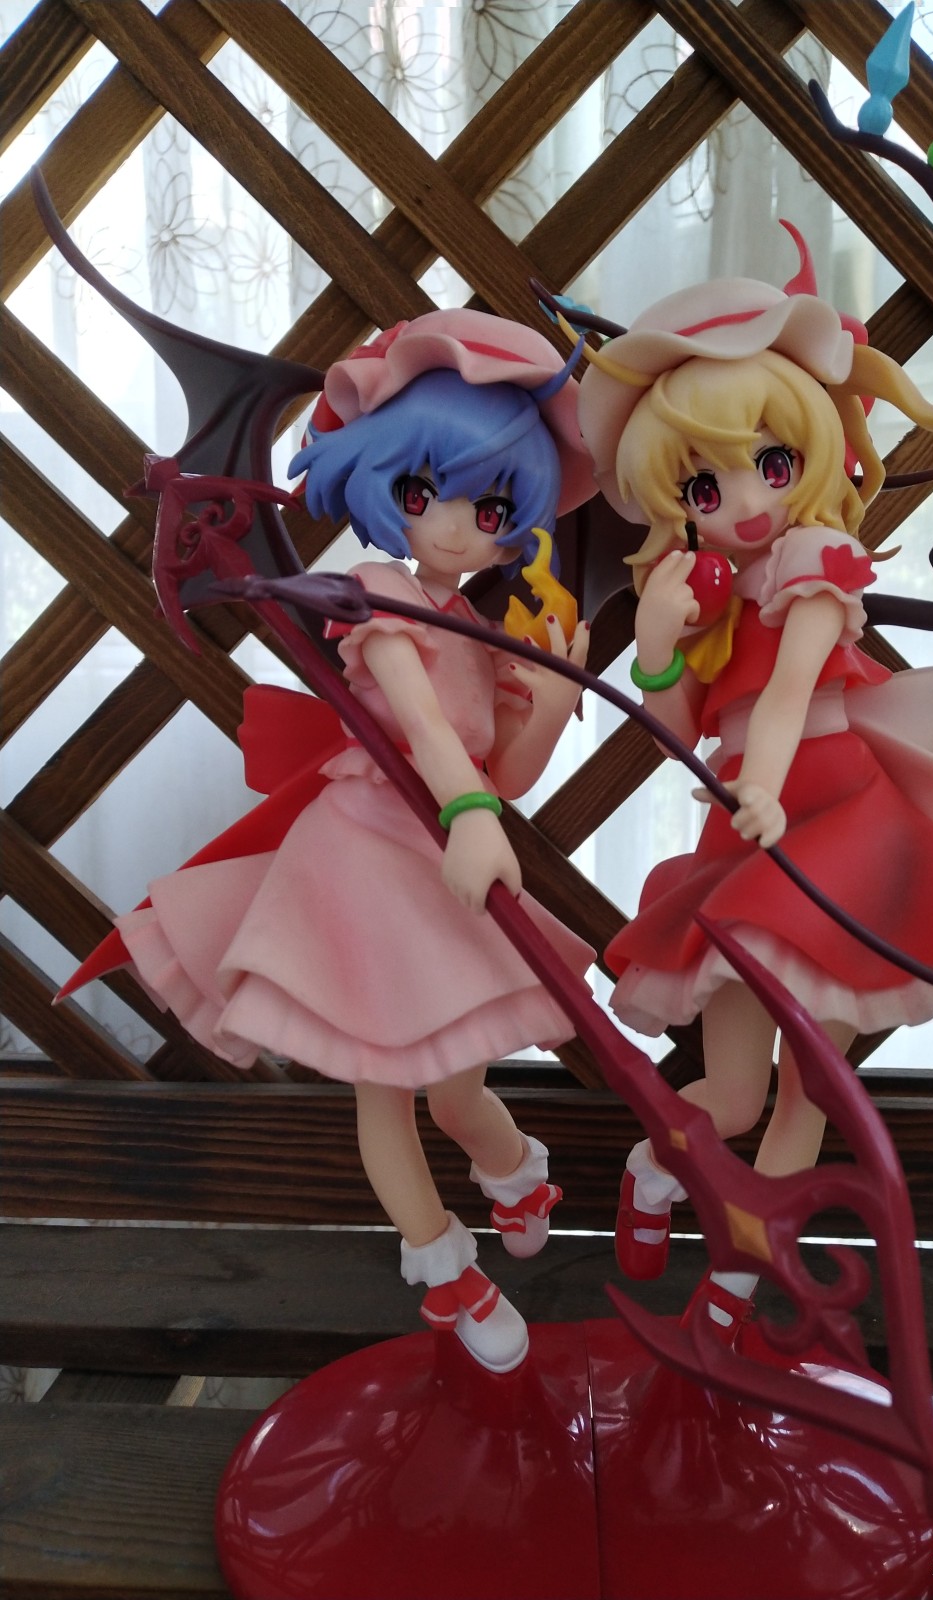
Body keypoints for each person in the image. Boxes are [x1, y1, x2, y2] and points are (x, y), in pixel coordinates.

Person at [67, 310, 596, 1373]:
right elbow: (427, 730)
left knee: (458, 1083)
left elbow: (499, 769)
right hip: (365, 859)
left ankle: (513, 1167)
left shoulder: (475, 624)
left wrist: (543, 702)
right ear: (382, 486)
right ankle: (443, 1265)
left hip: (444, 862)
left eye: (493, 508)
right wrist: (469, 812)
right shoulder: (380, 596)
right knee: (381, 1085)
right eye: (424, 493)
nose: (456, 528)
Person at [571, 271, 933, 1338]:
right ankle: (654, 1169)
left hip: (840, 825)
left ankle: (734, 1291)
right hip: (749, 838)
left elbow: (794, 689)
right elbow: (682, 729)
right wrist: (657, 643)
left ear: (812, 455)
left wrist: (759, 782)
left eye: (772, 463)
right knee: (734, 1098)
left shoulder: (815, 561)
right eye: (704, 488)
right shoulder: (706, 594)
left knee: (813, 1089)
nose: (748, 501)